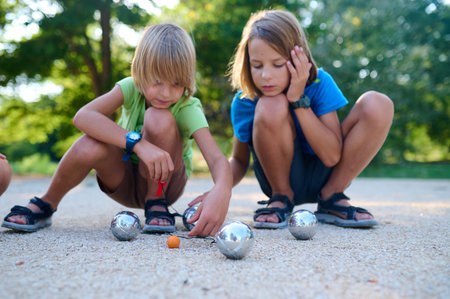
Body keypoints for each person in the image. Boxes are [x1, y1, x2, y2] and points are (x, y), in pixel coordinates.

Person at [2, 23, 232, 237]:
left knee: (158, 117)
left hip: (166, 186)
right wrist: (139, 144)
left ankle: (156, 202)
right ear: (141, 72)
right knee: (89, 142)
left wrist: (222, 191)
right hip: (123, 180)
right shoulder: (130, 88)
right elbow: (83, 117)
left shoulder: (187, 105)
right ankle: (47, 203)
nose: (165, 93)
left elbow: (215, 157)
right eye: (157, 81)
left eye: (176, 83)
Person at [228, 10, 394, 229]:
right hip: (278, 177)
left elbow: (332, 156)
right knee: (270, 104)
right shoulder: (245, 100)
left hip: (326, 172)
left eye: (277, 64)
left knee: (378, 103)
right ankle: (281, 197)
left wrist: (298, 101)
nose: (266, 75)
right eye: (257, 65)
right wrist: (218, 190)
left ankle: (332, 198)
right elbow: (239, 160)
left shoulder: (319, 83)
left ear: (299, 57)